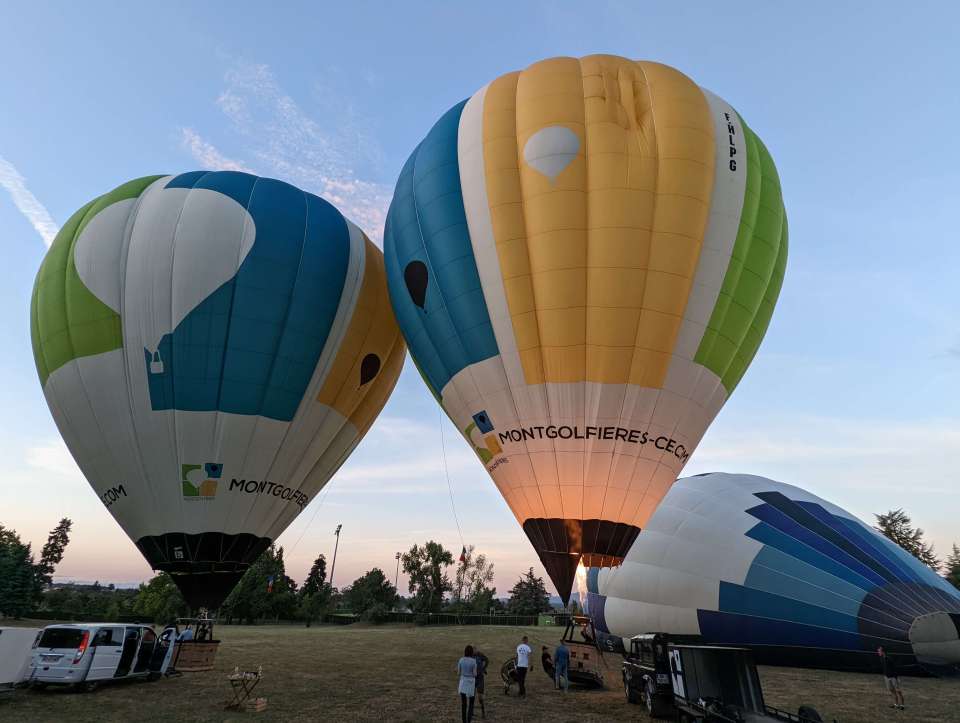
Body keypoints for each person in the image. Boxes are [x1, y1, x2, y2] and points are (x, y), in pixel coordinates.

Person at [457, 644, 478, 723]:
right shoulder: (473, 661)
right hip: (470, 683)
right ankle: (469, 720)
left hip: (463, 682)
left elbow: (458, 673)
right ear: (471, 652)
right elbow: (475, 674)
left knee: (463, 704)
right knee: (471, 703)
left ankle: (463, 721)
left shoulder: (461, 660)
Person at [473, 648, 488, 718]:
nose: (474, 651)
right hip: (472, 678)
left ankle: (483, 712)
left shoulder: (480, 655)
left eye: (475, 650)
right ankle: (471, 711)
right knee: (471, 696)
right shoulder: (469, 656)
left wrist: (484, 668)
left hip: (479, 678)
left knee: (480, 697)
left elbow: (487, 660)